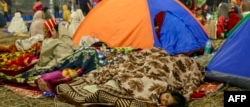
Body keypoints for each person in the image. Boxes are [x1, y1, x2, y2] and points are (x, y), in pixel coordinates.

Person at [56, 48, 204, 106]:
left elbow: (189, 87)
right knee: (135, 64)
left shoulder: (161, 94)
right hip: (160, 65)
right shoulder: (180, 63)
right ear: (170, 92)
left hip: (157, 73)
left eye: (165, 102)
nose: (162, 98)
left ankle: (85, 96)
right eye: (167, 96)